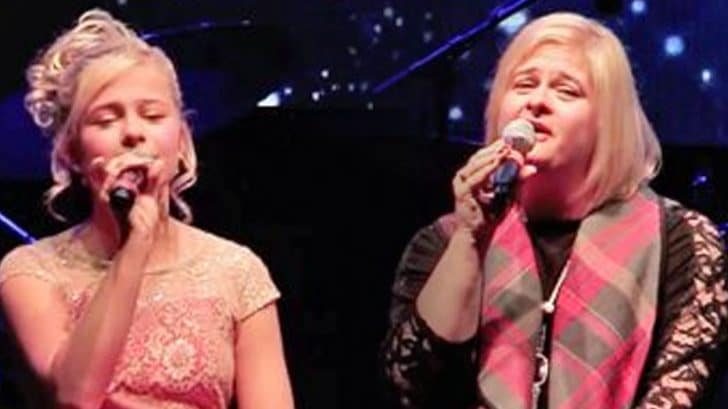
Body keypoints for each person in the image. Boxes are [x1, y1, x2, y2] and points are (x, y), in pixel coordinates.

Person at [380, 11, 728, 409]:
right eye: (524, 84)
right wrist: (469, 240)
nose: (536, 102)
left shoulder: (682, 243)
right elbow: (411, 387)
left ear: (608, 122)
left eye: (566, 91)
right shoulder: (444, 241)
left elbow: (679, 394)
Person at [0, 8, 294, 409]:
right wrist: (135, 242)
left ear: (182, 140)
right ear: (71, 152)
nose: (134, 132)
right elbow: (76, 394)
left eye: (153, 115)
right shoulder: (31, 271)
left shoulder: (237, 272)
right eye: (106, 120)